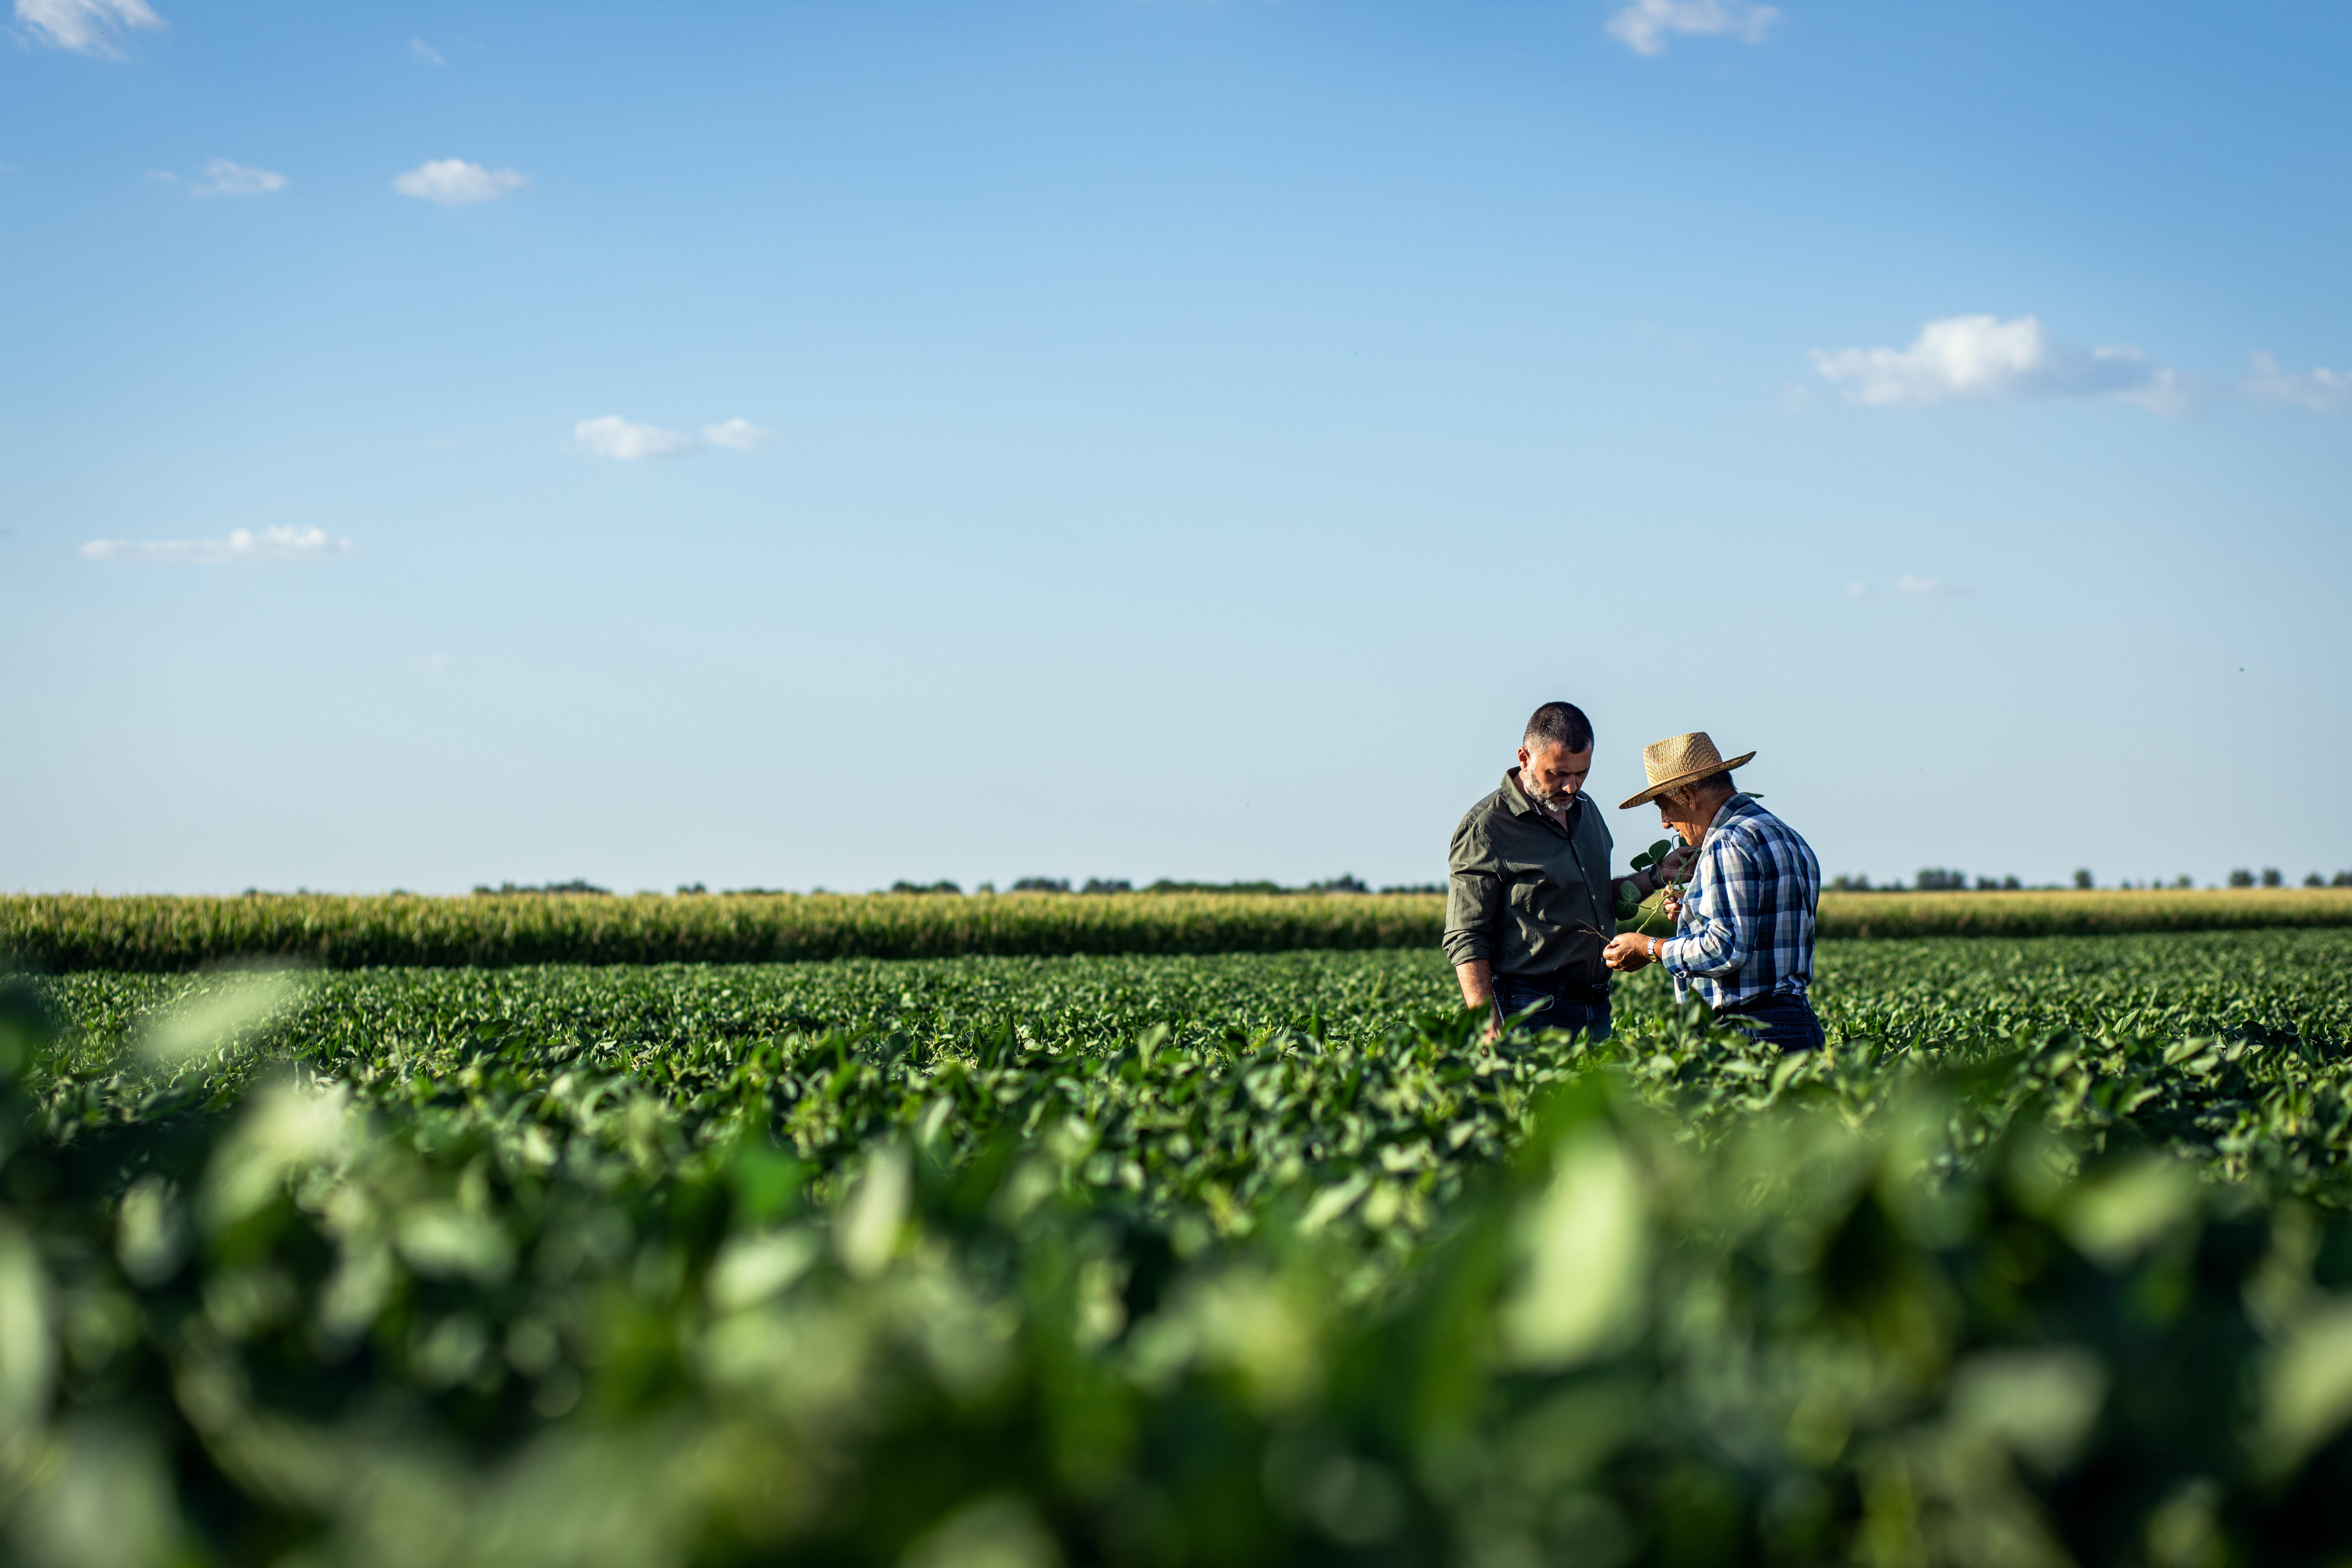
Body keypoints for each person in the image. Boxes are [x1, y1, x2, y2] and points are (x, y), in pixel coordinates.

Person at [1444, 701, 1694, 1043]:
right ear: (1524, 758)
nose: (1571, 787)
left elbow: (1589, 895)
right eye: (1558, 774)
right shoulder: (1488, 828)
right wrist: (1485, 1019)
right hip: (1529, 1009)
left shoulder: (1586, 812)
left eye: (1581, 773)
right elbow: (1466, 934)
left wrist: (1655, 875)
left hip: (1596, 1006)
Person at [1601, 732, 1826, 1051]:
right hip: (1797, 1024)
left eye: (1664, 807)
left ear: (1688, 795)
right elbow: (1762, 926)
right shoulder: (1787, 836)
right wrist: (1696, 910)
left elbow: (1726, 947)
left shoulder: (1727, 841)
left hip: (1748, 1029)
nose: (1666, 823)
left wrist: (1650, 948)